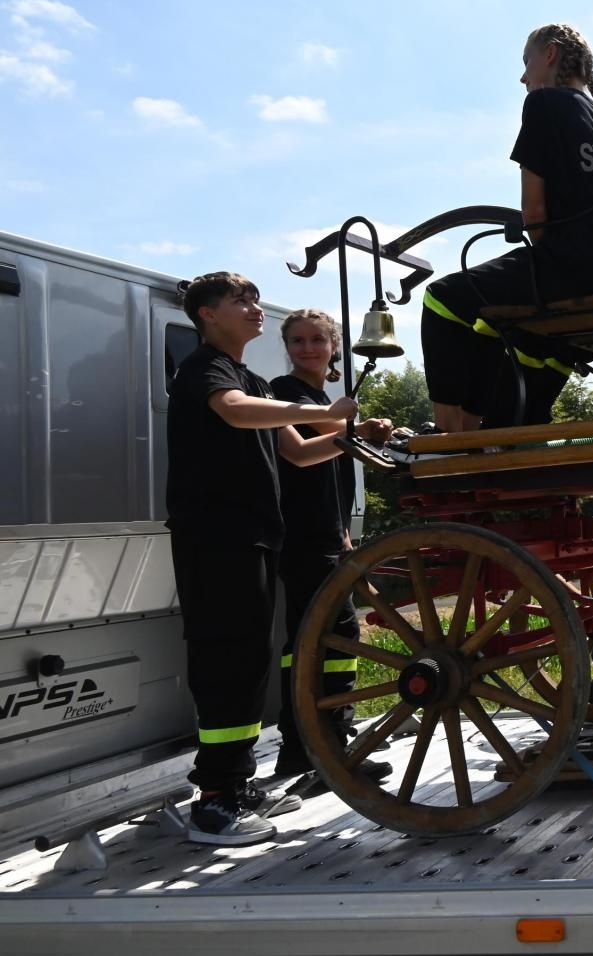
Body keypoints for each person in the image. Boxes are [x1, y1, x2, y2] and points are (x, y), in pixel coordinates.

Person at [166, 273, 357, 845]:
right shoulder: (208, 371)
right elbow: (234, 411)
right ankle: (214, 803)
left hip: (252, 537)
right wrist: (327, 412)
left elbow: (297, 455)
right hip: (215, 537)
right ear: (207, 315)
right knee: (227, 660)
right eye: (241, 302)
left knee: (249, 662)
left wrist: (345, 430)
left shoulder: (247, 376)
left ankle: (236, 783)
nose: (255, 309)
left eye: (254, 299)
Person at [421, 23, 593, 433]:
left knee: (441, 299)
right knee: (490, 320)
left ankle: (447, 433)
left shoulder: (545, 103)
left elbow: (533, 212)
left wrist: (551, 259)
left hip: (567, 269)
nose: (523, 76)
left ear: (549, 54)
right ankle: (505, 423)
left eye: (526, 61)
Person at [267, 309, 396, 796]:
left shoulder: (326, 400)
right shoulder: (284, 393)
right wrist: (352, 433)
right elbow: (299, 455)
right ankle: (309, 747)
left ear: (334, 347)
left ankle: (330, 736)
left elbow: (337, 475)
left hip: (328, 534)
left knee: (337, 634)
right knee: (313, 638)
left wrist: (345, 537)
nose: (307, 348)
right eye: (297, 340)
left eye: (317, 340)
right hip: (300, 535)